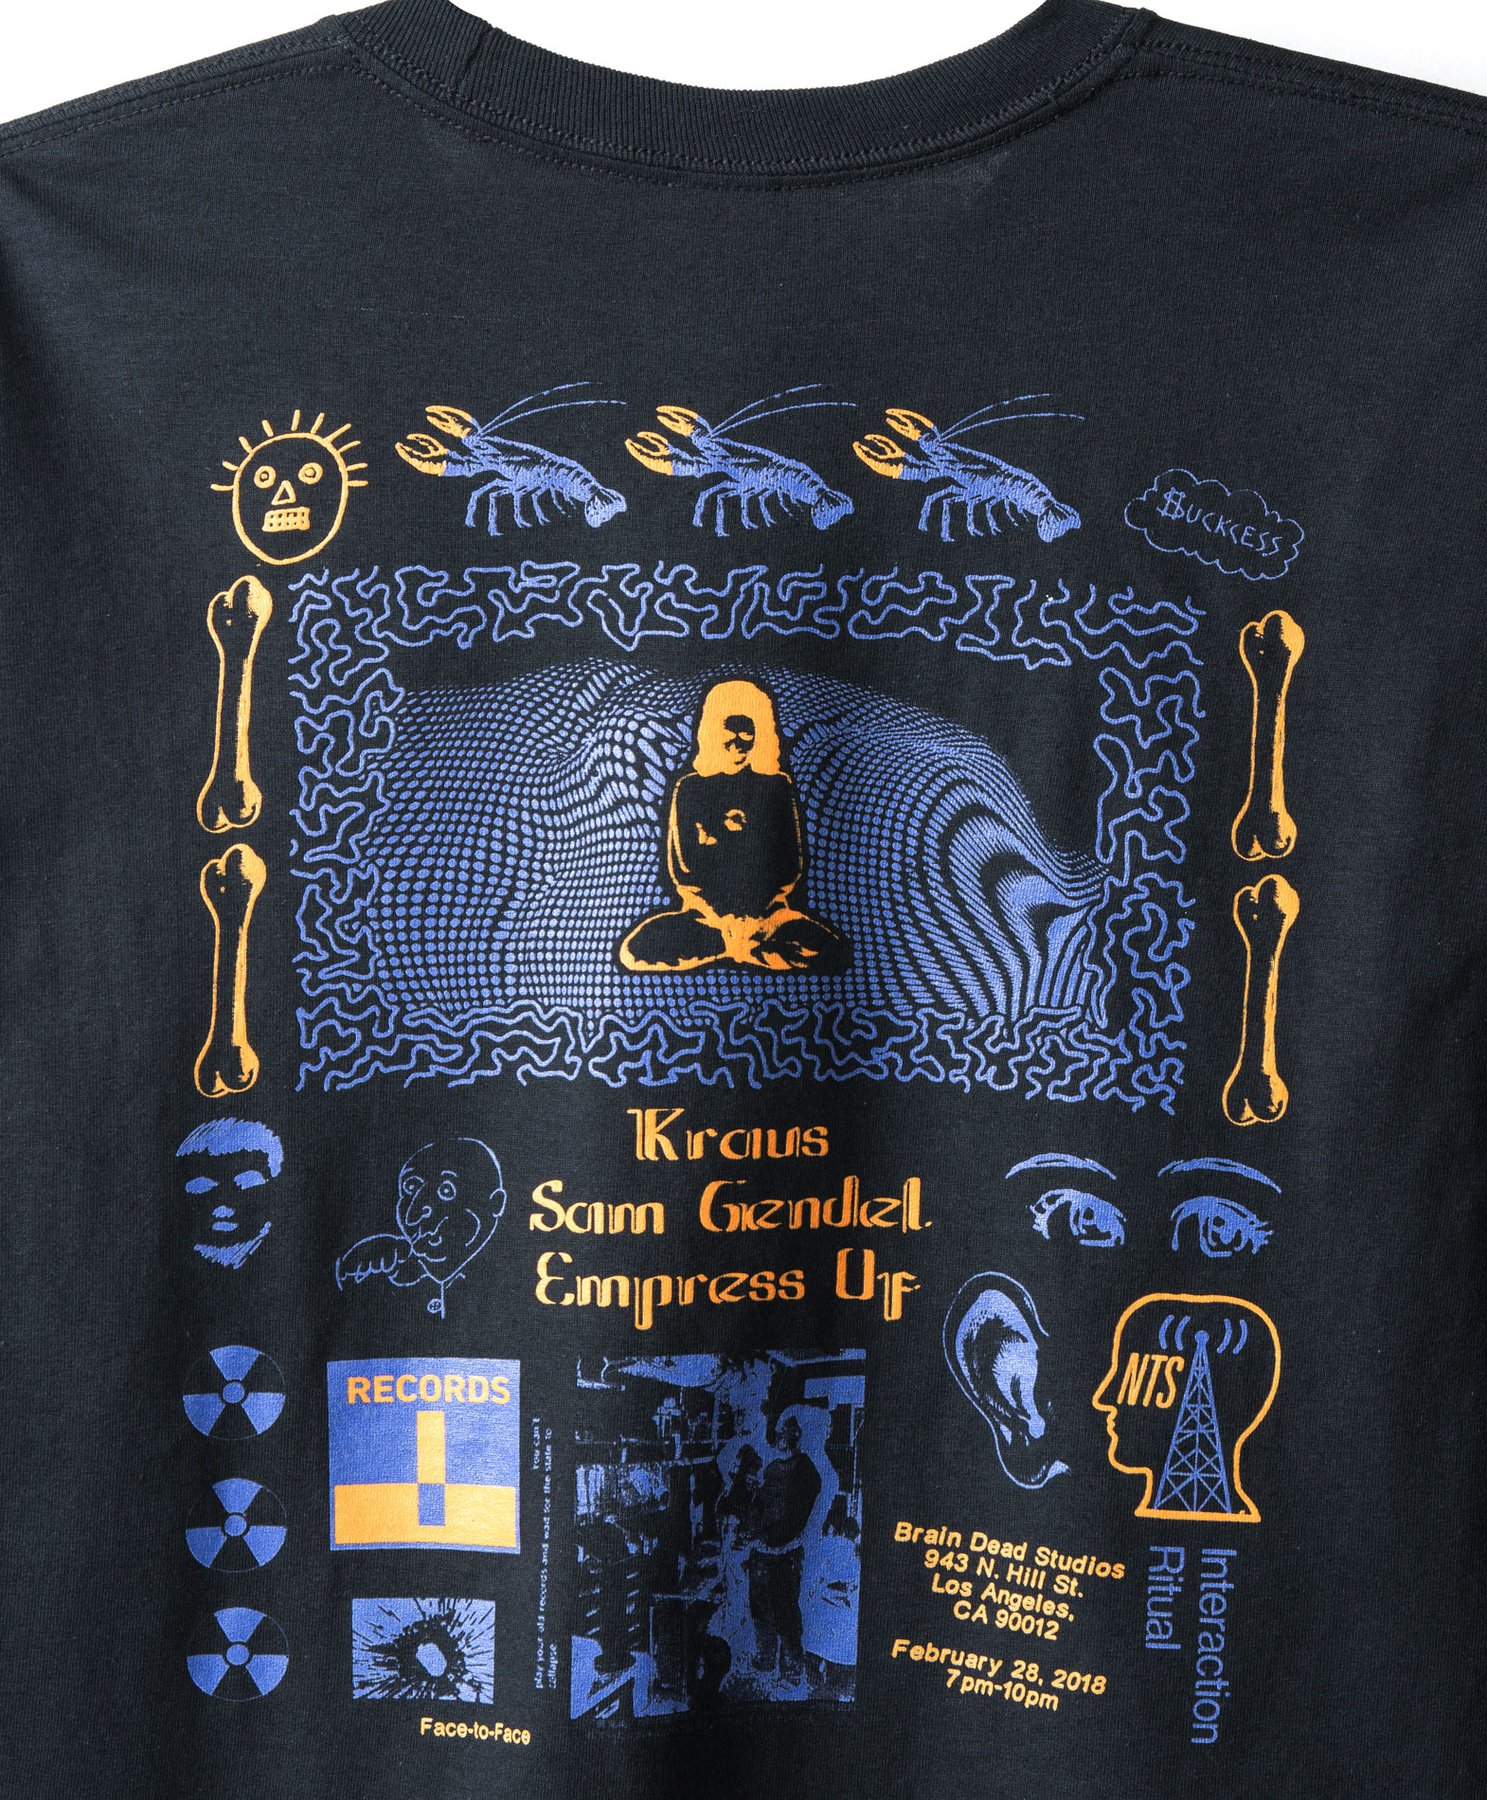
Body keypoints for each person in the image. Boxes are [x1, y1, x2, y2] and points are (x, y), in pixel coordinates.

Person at [618, 679, 848, 973]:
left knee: (832, 952)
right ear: (713, 733)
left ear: (759, 735)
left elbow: (791, 864)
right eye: (729, 733)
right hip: (706, 920)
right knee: (636, 951)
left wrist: (757, 917)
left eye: (746, 734)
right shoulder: (690, 788)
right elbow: (683, 869)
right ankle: (746, 948)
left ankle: (742, 945)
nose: (737, 744)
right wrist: (720, 919)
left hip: (768, 920)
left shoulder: (778, 786)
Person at [744, 1415, 822, 1689]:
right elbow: (760, 1506)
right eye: (778, 1432)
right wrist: (752, 1528)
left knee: (786, 1614)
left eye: (785, 1433)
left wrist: (768, 1537)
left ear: (795, 1437)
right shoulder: (773, 1468)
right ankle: (765, 1659)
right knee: (760, 1609)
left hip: (784, 1555)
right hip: (762, 1554)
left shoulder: (806, 1471)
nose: (779, 1437)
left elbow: (795, 1518)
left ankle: (791, 1671)